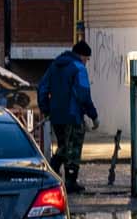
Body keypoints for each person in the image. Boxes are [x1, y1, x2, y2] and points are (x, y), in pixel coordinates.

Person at [36, 41, 99, 190]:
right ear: (81, 55)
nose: (86, 62)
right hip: (73, 116)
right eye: (87, 58)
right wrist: (93, 115)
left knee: (63, 146)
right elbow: (83, 94)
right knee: (73, 148)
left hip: (56, 117)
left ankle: (52, 175)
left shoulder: (54, 66)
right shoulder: (78, 68)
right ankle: (70, 181)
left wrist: (47, 109)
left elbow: (42, 88)